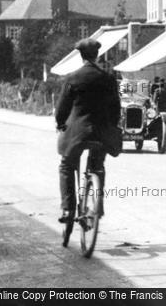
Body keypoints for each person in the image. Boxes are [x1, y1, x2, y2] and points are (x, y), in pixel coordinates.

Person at [55, 38, 120, 223]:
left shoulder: (72, 78)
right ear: (97, 55)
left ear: (80, 55)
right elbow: (116, 109)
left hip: (77, 133)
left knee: (67, 166)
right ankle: (96, 209)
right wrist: (112, 127)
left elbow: (61, 110)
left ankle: (68, 210)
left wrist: (60, 123)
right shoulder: (108, 79)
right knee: (98, 167)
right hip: (101, 133)